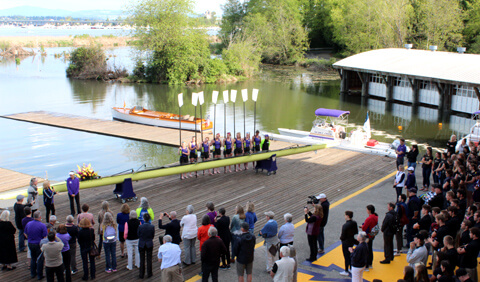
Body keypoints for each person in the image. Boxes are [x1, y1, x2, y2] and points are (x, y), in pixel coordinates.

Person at [25, 211, 48, 279]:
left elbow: (25, 233)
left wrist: (30, 238)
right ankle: (39, 275)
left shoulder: (28, 224)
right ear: (40, 217)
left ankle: (33, 273)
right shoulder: (42, 225)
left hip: (30, 243)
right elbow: (45, 237)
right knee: (40, 259)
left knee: (33, 258)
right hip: (38, 244)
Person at [339, 210, 358, 276]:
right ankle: (351, 268)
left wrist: (341, 238)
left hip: (345, 242)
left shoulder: (345, 225)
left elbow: (343, 236)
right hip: (351, 240)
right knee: (350, 255)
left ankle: (346, 270)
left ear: (347, 216)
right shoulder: (354, 223)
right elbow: (356, 231)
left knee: (346, 256)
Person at [361, 204, 378, 271]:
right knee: (370, 249)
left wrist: (362, 226)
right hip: (372, 234)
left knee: (366, 250)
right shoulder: (376, 216)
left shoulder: (369, 218)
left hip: (368, 235)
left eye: (367, 209)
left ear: (369, 210)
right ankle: (370, 263)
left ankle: (366, 265)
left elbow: (364, 228)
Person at [138, 213, 154, 279]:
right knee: (149, 259)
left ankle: (141, 274)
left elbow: (138, 234)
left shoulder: (140, 227)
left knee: (142, 259)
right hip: (149, 243)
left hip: (142, 243)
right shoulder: (152, 226)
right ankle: (149, 273)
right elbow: (153, 235)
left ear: (144, 219)